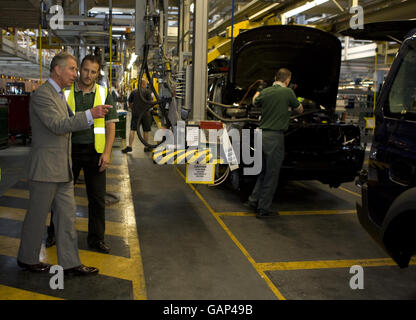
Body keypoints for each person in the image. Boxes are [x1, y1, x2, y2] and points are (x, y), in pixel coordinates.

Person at [17, 52, 111, 275]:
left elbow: (69, 123)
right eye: (72, 68)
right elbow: (58, 125)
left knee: (67, 218)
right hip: (45, 169)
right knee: (37, 218)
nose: (76, 73)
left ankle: (70, 264)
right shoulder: (42, 95)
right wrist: (90, 114)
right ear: (57, 70)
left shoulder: (60, 95)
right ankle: (27, 258)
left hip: (63, 169)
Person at [46, 55, 118, 254]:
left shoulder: (104, 93)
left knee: (97, 199)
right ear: (79, 70)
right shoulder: (66, 91)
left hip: (95, 152)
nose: (88, 75)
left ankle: (96, 239)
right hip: (68, 151)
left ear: (98, 73)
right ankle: (53, 233)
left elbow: (111, 126)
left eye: (93, 72)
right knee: (60, 196)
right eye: (85, 70)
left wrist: (107, 152)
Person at [245, 68, 303, 219]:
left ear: (275, 77)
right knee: (272, 175)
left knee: (263, 171)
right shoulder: (288, 92)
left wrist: (259, 89)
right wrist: (291, 103)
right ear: (287, 80)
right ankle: (263, 209)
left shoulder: (266, 91)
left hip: (261, 136)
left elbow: (254, 101)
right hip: (275, 138)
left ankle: (253, 200)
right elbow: (300, 109)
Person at [122, 79, 153, 153]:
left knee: (132, 130)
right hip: (145, 114)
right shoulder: (148, 92)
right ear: (144, 84)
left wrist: (133, 108)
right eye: (146, 84)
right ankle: (146, 147)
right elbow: (151, 103)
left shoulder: (134, 91)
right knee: (146, 130)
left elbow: (129, 102)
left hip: (136, 114)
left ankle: (130, 146)